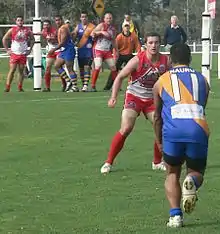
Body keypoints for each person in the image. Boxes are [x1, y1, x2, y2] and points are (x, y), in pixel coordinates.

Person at [153, 43, 210, 227]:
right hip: (197, 128)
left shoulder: (161, 81)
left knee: (172, 172)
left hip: (173, 132)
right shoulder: (202, 79)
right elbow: (202, 106)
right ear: (190, 59)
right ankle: (191, 181)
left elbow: (156, 117)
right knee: (196, 171)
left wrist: (159, 140)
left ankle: (175, 216)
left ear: (170, 59)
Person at [100, 32, 170, 174]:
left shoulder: (165, 60)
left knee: (161, 128)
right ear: (145, 45)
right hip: (134, 97)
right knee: (126, 128)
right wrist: (113, 97)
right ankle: (108, 162)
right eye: (150, 43)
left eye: (156, 42)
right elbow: (119, 77)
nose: (153, 45)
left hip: (153, 99)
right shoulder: (138, 60)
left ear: (160, 44)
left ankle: (157, 162)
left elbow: (171, 80)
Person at [103, 21, 141, 91]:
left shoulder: (134, 36)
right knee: (114, 70)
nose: (126, 28)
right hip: (120, 55)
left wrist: (139, 55)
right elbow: (115, 47)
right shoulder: (119, 37)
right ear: (122, 28)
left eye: (128, 26)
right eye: (125, 26)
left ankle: (136, 84)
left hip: (129, 55)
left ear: (129, 27)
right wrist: (115, 56)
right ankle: (108, 87)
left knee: (135, 68)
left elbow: (138, 46)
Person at [2, 15, 34, 92]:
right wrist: (7, 50)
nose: (20, 22)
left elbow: (33, 39)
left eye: (21, 20)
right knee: (12, 69)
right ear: (16, 22)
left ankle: (20, 87)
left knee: (21, 70)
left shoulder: (27, 30)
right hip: (14, 53)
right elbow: (4, 39)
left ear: (23, 21)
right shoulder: (12, 30)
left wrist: (30, 49)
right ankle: (8, 87)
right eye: (18, 20)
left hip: (23, 54)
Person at [48, 15, 78, 92]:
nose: (57, 22)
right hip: (64, 50)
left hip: (69, 49)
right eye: (56, 20)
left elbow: (63, 42)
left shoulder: (64, 28)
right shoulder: (61, 28)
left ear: (62, 20)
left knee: (69, 68)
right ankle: (68, 81)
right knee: (57, 65)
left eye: (59, 20)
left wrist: (53, 49)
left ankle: (75, 87)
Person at [90, 12, 118, 92]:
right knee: (98, 66)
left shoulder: (113, 29)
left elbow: (113, 41)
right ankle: (92, 86)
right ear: (104, 19)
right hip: (98, 49)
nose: (109, 19)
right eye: (107, 18)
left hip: (107, 50)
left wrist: (116, 50)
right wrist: (101, 32)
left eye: (110, 18)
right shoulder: (101, 25)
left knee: (113, 67)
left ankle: (116, 85)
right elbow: (92, 33)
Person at [73, 11, 95, 91]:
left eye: (85, 17)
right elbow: (74, 35)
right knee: (81, 68)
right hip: (80, 50)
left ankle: (86, 85)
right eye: (82, 17)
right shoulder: (78, 26)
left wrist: (93, 35)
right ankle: (83, 85)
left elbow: (94, 36)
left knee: (87, 67)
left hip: (89, 50)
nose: (84, 18)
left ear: (87, 18)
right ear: (80, 18)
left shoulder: (92, 27)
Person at [41, 19, 59, 91]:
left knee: (59, 68)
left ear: (50, 25)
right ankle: (47, 87)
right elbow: (41, 33)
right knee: (48, 68)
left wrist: (53, 39)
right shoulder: (44, 31)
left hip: (58, 50)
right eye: (44, 25)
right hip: (51, 51)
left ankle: (65, 84)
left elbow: (59, 40)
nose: (46, 26)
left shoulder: (55, 31)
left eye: (47, 25)